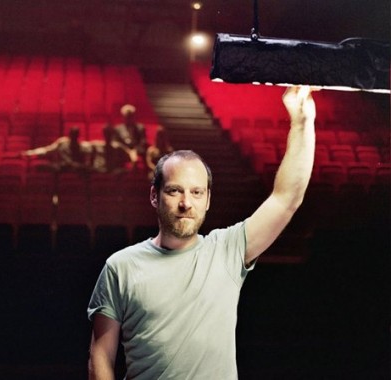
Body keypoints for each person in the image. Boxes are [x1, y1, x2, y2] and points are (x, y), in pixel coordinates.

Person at [87, 86, 317, 379]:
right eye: (174, 191)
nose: (186, 203)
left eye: (197, 192)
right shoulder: (120, 266)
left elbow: (286, 198)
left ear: (208, 200)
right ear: (155, 196)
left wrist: (302, 123)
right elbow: (101, 357)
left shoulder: (227, 249)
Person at [21, 126, 93, 172]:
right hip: (61, 168)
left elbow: (87, 163)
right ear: (69, 135)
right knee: (40, 167)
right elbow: (47, 150)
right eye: (72, 135)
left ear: (78, 136)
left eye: (75, 135)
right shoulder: (62, 143)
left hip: (75, 169)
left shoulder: (84, 147)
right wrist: (30, 153)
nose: (73, 137)